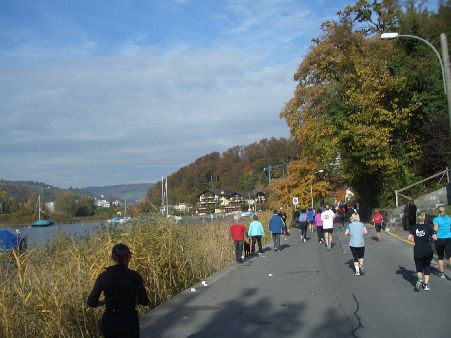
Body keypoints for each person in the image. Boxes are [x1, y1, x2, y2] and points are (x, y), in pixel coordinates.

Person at [87, 243, 149, 338]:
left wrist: (103, 302)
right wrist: (132, 299)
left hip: (110, 321)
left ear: (112, 258)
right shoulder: (134, 276)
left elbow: (91, 302)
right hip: (129, 320)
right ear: (128, 258)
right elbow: (144, 301)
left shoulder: (103, 276)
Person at [408, 212, 437, 291]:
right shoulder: (428, 227)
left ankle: (420, 279)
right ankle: (426, 285)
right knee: (426, 266)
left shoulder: (414, 227)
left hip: (418, 250)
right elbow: (435, 237)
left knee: (419, 266)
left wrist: (416, 240)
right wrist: (430, 238)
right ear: (424, 218)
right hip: (428, 249)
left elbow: (409, 238)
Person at [433, 206, 451, 279]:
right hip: (448, 238)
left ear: (438, 211)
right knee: (450, 256)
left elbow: (435, 229)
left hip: (439, 239)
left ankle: (442, 273)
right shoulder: (449, 219)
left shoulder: (436, 219)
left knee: (440, 257)